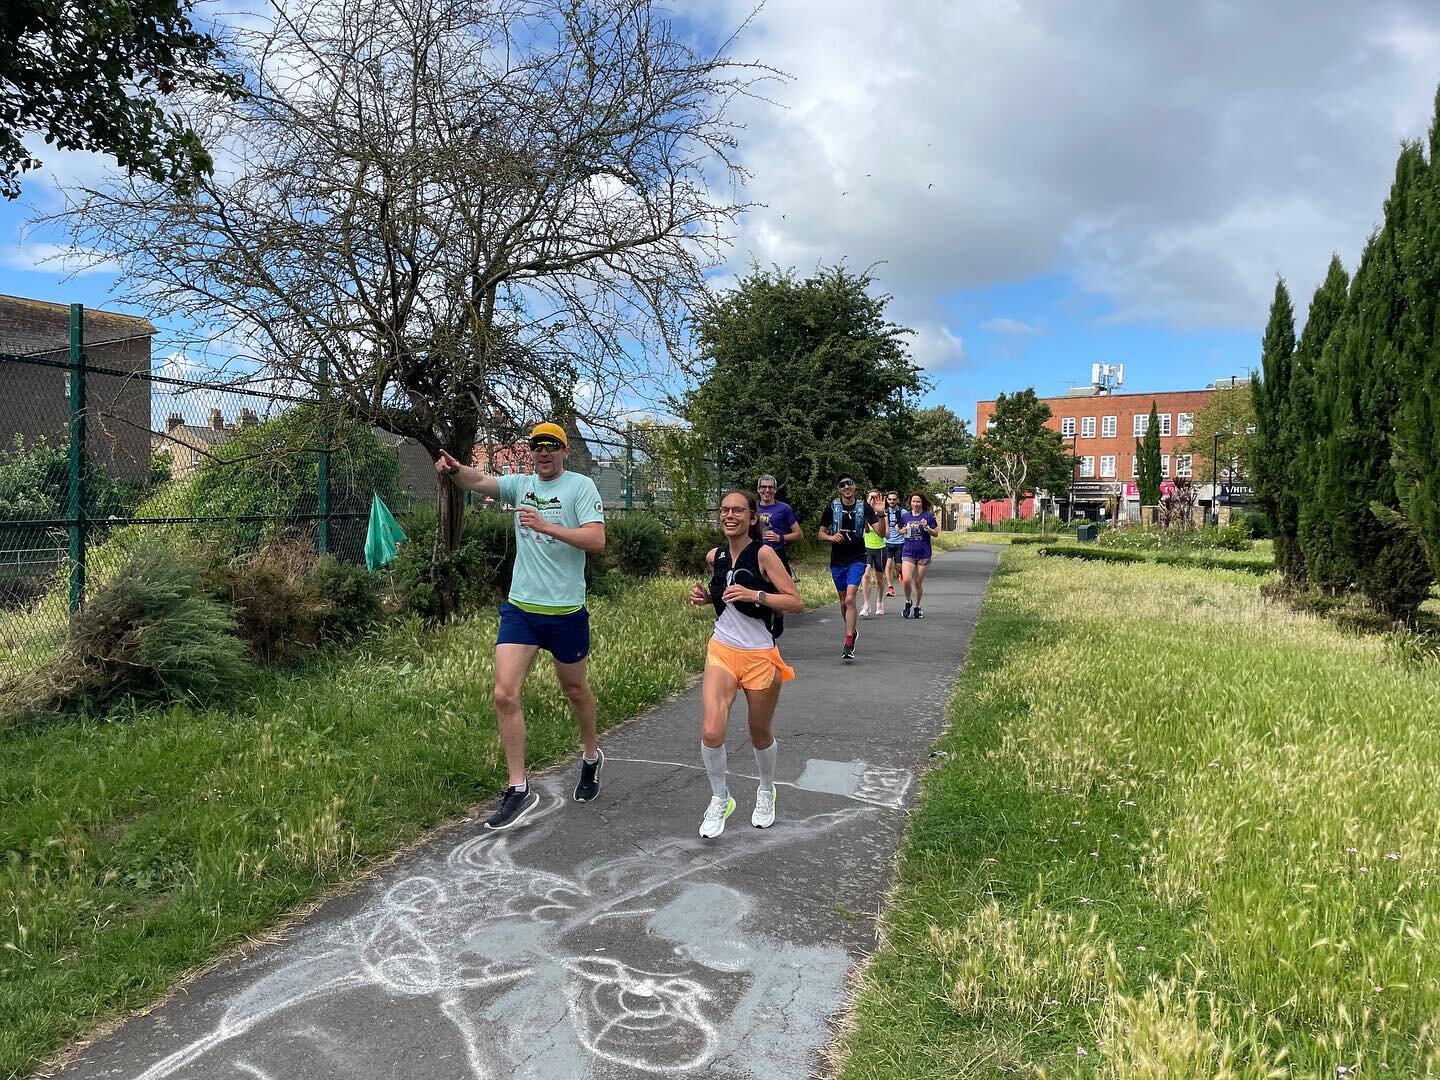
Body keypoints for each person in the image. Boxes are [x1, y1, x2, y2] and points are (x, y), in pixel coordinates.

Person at [435, 422, 607, 831]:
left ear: (564, 451)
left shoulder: (580, 487)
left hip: (565, 611)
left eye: (551, 447)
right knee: (504, 694)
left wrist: (546, 526)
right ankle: (518, 788)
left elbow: (596, 541)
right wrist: (456, 469)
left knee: (575, 690)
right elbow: (480, 480)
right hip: (521, 610)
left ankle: (590, 756)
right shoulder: (521, 484)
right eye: (536, 447)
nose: (543, 453)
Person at [687, 490, 804, 838]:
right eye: (724, 510)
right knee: (711, 730)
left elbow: (796, 602)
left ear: (752, 517)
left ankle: (766, 790)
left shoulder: (764, 554)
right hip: (722, 648)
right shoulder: (716, 555)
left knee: (759, 732)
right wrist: (707, 596)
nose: (730, 515)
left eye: (738, 510)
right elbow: (725, 589)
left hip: (759, 655)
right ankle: (720, 798)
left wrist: (756, 595)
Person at [817, 475, 879, 660]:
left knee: (851, 599)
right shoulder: (832, 507)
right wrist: (830, 537)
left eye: (849, 484)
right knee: (844, 602)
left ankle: (848, 642)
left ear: (855, 487)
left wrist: (881, 514)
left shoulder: (864, 507)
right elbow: (820, 533)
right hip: (837, 561)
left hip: (858, 559)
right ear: (839, 489)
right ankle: (852, 630)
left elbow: (882, 532)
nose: (846, 487)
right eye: (842, 485)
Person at [899, 491, 939, 620]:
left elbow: (936, 533)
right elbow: (899, 529)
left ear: (922, 503)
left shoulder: (927, 516)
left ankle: (917, 606)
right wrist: (902, 531)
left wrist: (927, 527)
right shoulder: (905, 516)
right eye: (913, 501)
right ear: (910, 503)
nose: (915, 504)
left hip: (924, 553)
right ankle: (907, 601)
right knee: (906, 580)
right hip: (908, 552)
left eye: (918, 501)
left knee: (917, 582)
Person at [756, 474, 803, 573]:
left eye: (770, 487)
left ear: (775, 490)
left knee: (782, 587)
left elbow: (799, 535)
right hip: (755, 554)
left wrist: (780, 538)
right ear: (758, 489)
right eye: (764, 487)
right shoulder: (751, 508)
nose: (767, 490)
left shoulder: (784, 508)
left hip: (778, 554)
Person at [859, 488, 888, 617]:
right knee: (865, 575)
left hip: (880, 549)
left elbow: (886, 534)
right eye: (871, 497)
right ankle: (866, 604)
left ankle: (880, 602)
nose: (873, 500)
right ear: (867, 499)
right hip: (866, 548)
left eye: (876, 497)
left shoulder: (882, 515)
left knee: (879, 579)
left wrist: (879, 517)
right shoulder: (862, 514)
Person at [882, 491, 905, 598]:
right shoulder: (883, 512)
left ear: (898, 500)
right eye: (890, 499)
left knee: (898, 566)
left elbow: (908, 526)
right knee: (888, 564)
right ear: (887, 500)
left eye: (894, 499)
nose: (892, 501)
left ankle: (901, 574)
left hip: (900, 542)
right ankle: (890, 588)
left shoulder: (903, 512)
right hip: (887, 542)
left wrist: (903, 529)